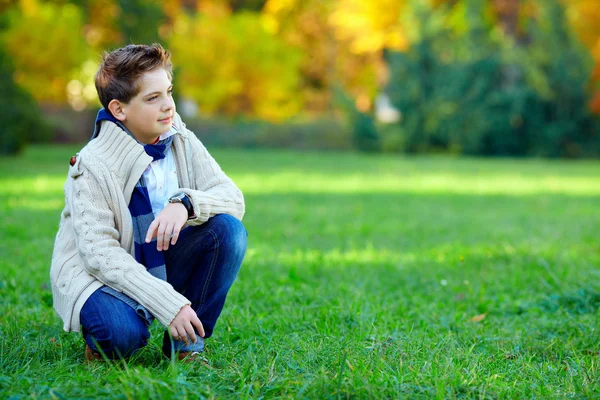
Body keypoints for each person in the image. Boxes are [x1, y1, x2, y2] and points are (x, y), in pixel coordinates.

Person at [50, 43, 247, 362]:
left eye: (168, 92)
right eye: (153, 98)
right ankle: (104, 333)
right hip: (101, 273)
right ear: (119, 110)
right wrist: (170, 304)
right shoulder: (91, 165)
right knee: (123, 339)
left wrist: (185, 203)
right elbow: (100, 255)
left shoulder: (178, 136)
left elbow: (232, 199)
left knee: (228, 231)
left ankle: (186, 347)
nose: (168, 106)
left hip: (158, 254)